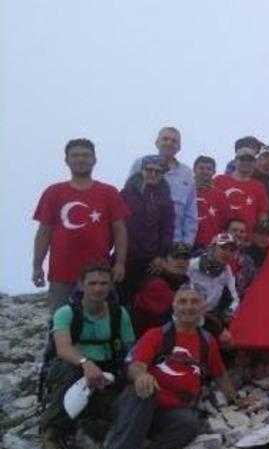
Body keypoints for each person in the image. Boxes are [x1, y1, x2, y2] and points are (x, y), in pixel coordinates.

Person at [98, 283, 249, 449]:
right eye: (182, 302)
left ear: (203, 307)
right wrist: (142, 376)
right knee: (145, 392)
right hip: (138, 403)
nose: (188, 307)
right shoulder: (156, 335)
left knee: (190, 426)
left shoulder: (207, 342)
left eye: (195, 302)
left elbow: (219, 374)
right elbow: (136, 365)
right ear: (174, 306)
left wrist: (236, 399)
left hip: (171, 412)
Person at [40, 263, 135, 449]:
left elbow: (129, 349)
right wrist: (86, 363)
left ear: (110, 286)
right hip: (71, 366)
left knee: (123, 395)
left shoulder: (119, 314)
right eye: (92, 283)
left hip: (108, 368)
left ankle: (88, 427)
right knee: (71, 372)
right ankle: (52, 433)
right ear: (81, 285)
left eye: (103, 283)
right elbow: (63, 348)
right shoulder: (66, 312)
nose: (98, 289)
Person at [33, 138, 129, 312]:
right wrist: (37, 265)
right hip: (62, 273)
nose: (80, 159)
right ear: (66, 160)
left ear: (94, 159)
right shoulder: (53, 192)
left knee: (104, 321)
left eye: (85, 155)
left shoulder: (109, 192)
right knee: (60, 321)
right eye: (75, 155)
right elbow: (44, 232)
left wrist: (120, 263)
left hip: (100, 274)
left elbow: (120, 230)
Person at [119, 156, 175, 305]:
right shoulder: (125, 194)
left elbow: (167, 230)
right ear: (142, 170)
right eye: (149, 170)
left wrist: (161, 256)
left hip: (151, 259)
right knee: (123, 298)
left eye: (158, 172)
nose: (153, 174)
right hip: (126, 256)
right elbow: (117, 225)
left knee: (149, 300)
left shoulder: (166, 199)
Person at [128, 127, 197, 245]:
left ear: (179, 147)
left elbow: (190, 214)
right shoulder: (140, 164)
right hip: (140, 243)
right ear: (157, 142)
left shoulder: (187, 174)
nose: (169, 143)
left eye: (174, 141)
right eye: (165, 139)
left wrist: (186, 245)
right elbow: (128, 200)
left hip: (174, 244)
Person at [187, 233, 240, 346]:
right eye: (223, 248)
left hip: (211, 316)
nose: (227, 253)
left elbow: (235, 298)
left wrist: (229, 312)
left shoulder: (227, 270)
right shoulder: (192, 266)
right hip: (188, 314)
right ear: (211, 248)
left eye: (231, 250)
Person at [132, 243, 191, 337]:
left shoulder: (184, 283)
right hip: (151, 341)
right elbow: (185, 312)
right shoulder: (154, 284)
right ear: (163, 262)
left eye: (185, 258)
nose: (181, 262)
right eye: (175, 257)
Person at [213, 151, 269, 233]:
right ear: (235, 161)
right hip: (220, 236)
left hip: (246, 238)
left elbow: (262, 214)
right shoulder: (219, 180)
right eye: (242, 159)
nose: (246, 162)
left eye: (250, 160)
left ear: (255, 163)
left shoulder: (259, 186)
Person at [193, 156, 229, 250]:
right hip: (187, 243)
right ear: (194, 170)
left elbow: (226, 224)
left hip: (210, 245)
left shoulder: (220, 195)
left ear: (214, 172)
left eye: (209, 169)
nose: (205, 171)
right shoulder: (185, 191)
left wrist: (221, 245)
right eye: (201, 168)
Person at [223, 218, 257, 297]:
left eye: (242, 232)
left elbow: (252, 285)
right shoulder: (209, 253)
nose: (238, 234)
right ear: (225, 232)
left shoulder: (248, 261)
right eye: (234, 230)